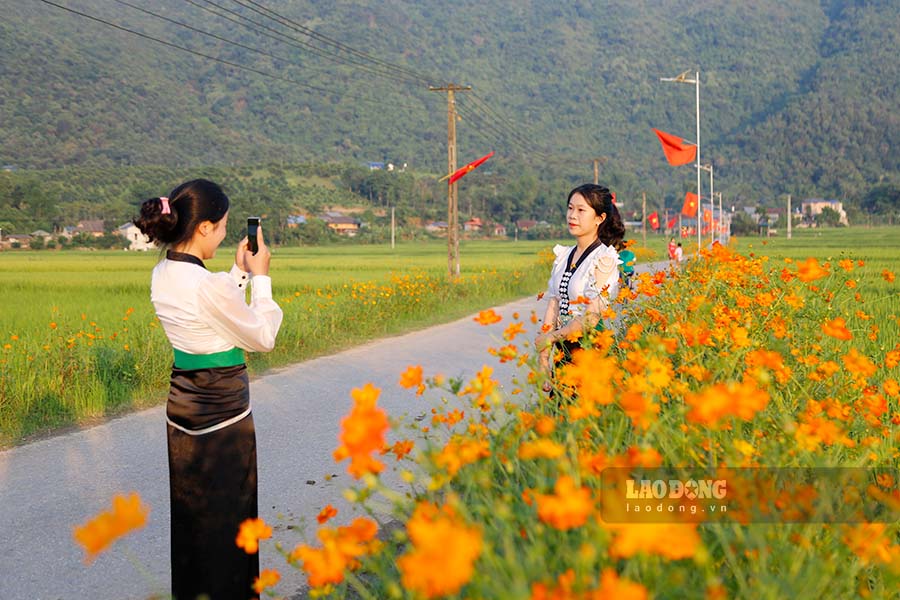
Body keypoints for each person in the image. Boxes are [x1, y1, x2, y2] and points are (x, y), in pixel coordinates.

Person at [133, 179, 283, 600]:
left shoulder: (162, 273)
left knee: (192, 512)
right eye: (220, 227)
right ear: (203, 228)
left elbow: (210, 315)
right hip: (225, 412)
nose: (221, 235)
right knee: (231, 515)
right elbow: (262, 335)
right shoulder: (208, 286)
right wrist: (261, 279)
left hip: (182, 406)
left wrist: (237, 273)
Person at [536, 183, 625, 387]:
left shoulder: (604, 259)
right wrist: (543, 360)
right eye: (570, 208)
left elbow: (590, 318)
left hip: (589, 350)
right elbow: (554, 304)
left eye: (581, 210)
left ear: (599, 218)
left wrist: (551, 337)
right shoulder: (563, 256)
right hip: (562, 351)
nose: (572, 215)